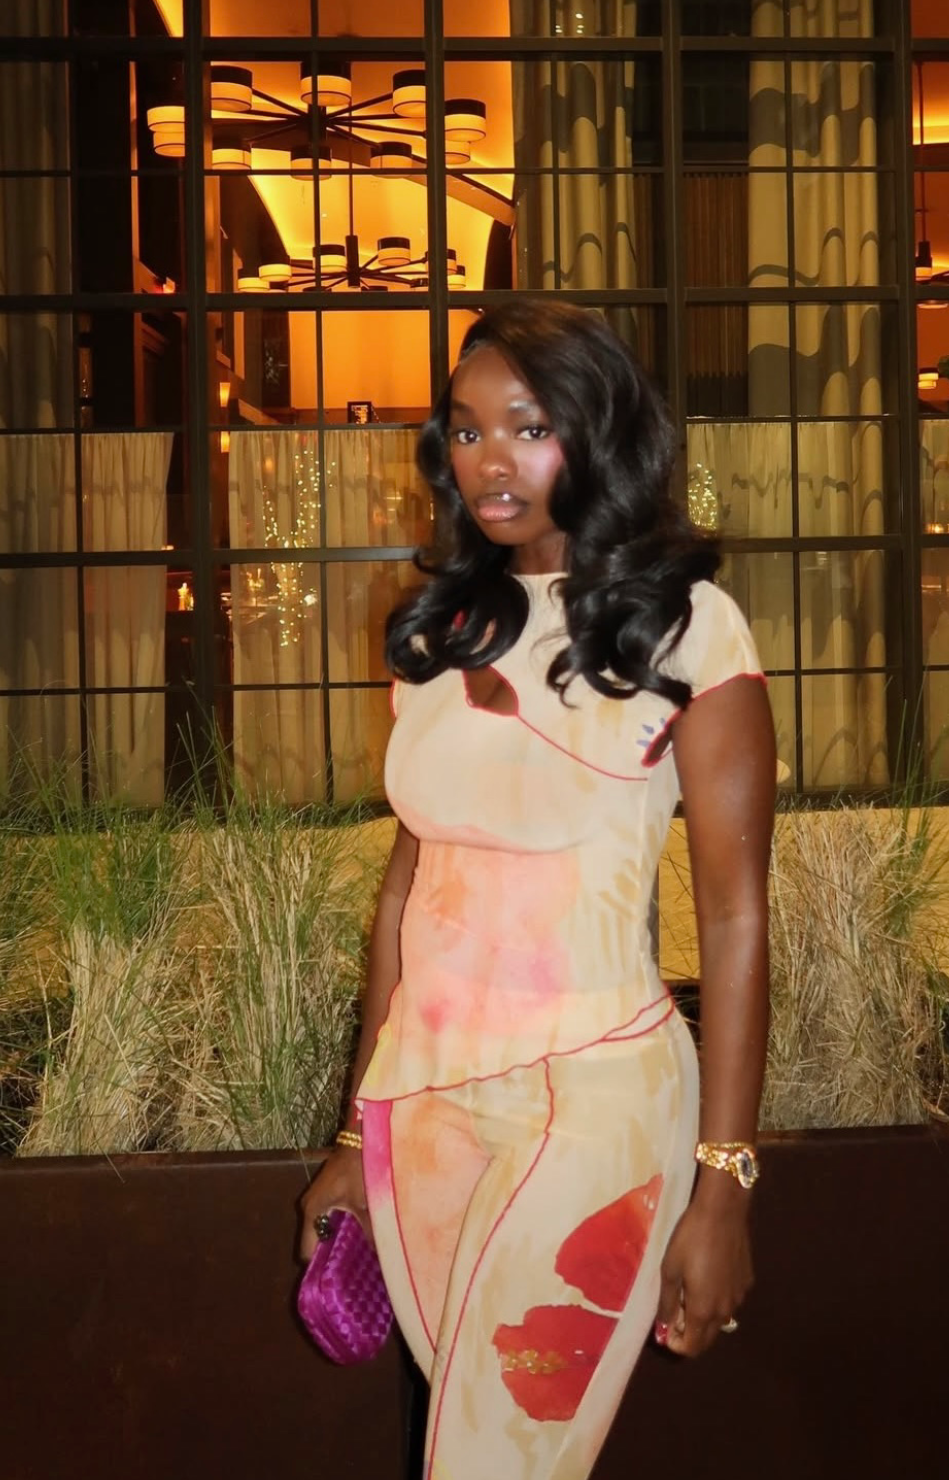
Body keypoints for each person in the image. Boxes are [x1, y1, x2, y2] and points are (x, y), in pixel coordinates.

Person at [301, 300, 775, 1480]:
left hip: (596, 1099)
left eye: (528, 425)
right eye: (465, 431)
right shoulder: (444, 627)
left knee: (490, 1462)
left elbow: (734, 915)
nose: (490, 459)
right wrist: (358, 1132)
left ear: (598, 433)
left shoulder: (690, 629)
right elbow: (409, 894)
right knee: (481, 1447)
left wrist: (724, 1186)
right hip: (431, 1109)